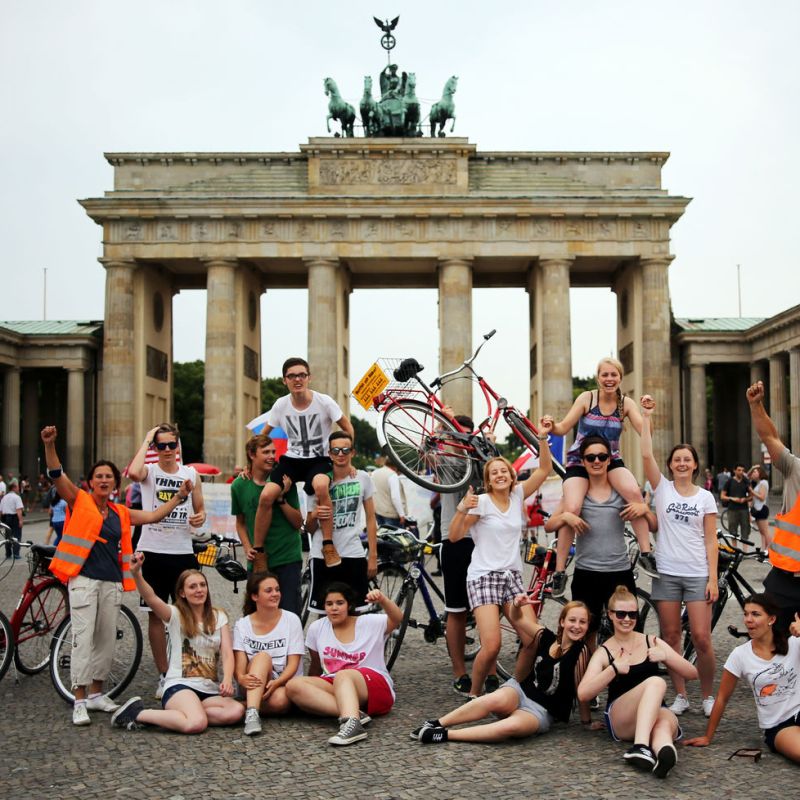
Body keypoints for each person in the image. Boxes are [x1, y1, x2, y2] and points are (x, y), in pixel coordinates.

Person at [40, 425, 193, 726]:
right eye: (99, 476)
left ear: (115, 483)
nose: (104, 480)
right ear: (90, 482)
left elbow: (151, 516)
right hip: (83, 579)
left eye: (109, 477)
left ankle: (97, 693)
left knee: (106, 639)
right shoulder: (78, 500)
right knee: (83, 639)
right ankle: (80, 699)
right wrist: (49, 445)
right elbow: (57, 474)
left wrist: (178, 497)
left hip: (111, 582)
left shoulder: (120, 512)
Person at [449, 420, 553, 697]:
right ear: (488, 480)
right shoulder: (481, 502)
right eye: (493, 472)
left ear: (511, 475)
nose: (499, 475)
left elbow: (545, 469)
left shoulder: (518, 495)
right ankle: (473, 693)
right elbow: (455, 536)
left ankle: (516, 687)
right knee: (492, 644)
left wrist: (542, 438)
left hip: (512, 577)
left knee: (532, 637)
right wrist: (461, 510)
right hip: (484, 577)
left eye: (503, 471)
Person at [544, 358, 656, 597]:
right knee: (572, 507)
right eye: (604, 375)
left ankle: (646, 553)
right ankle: (560, 570)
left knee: (634, 494)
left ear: (620, 378)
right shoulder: (587, 398)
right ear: (598, 378)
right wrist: (550, 425)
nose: (609, 379)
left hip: (609, 457)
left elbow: (645, 431)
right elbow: (563, 428)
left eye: (613, 375)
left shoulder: (625, 403)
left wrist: (646, 415)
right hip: (580, 459)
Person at [410, 601, 593, 744]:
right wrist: (516, 605)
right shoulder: (545, 636)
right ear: (562, 621)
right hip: (520, 691)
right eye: (572, 620)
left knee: (510, 728)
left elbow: (580, 688)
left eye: (582, 622)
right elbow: (518, 619)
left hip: (541, 710)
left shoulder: (581, 651)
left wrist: (586, 722)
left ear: (587, 626)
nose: (577, 626)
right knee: (493, 699)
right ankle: (437, 723)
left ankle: (443, 735)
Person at [639, 395, 718, 717]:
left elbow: (711, 541)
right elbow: (645, 453)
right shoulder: (662, 490)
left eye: (687, 459)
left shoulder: (706, 497)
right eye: (677, 460)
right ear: (671, 465)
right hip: (667, 573)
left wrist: (712, 578)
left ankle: (708, 695)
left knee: (701, 638)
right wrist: (645, 417)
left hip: (698, 572)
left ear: (695, 464)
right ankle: (682, 695)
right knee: (671, 636)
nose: (682, 464)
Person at [111, 554, 244, 734]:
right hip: (180, 686)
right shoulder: (174, 615)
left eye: (202, 585)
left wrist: (228, 679)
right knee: (196, 724)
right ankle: (138, 713)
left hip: (209, 690)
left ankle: (182, 715)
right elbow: (151, 598)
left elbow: (228, 653)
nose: (199, 590)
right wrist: (136, 574)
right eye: (192, 586)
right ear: (182, 593)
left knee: (236, 711)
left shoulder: (219, 616)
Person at [544, 435, 657, 645]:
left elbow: (654, 525)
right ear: (583, 461)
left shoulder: (622, 493)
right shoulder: (576, 496)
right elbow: (549, 526)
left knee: (628, 632)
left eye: (602, 456)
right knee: (586, 634)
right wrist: (566, 516)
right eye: (590, 457)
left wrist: (644, 509)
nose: (596, 461)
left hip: (619, 572)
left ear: (609, 460)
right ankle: (589, 673)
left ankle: (624, 675)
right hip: (586, 573)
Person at [578, 585, 698, 778]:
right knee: (656, 682)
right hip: (621, 717)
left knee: (663, 727)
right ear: (610, 614)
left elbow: (692, 673)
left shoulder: (652, 641)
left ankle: (664, 754)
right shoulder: (604, 651)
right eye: (621, 614)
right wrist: (613, 669)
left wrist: (667, 656)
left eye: (632, 615)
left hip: (656, 712)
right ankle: (640, 745)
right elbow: (583, 693)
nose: (627, 619)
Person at [252, 357, 355, 573]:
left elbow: (346, 427)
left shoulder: (324, 401)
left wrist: (347, 460)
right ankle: (259, 551)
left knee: (320, 486)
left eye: (302, 375)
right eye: (292, 376)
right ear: (284, 381)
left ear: (309, 378)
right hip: (292, 459)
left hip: (318, 458)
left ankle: (328, 545)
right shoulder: (281, 404)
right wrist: (251, 463)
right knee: (266, 495)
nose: (297, 379)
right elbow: (262, 437)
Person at [127, 422, 206, 696]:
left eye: (172, 444)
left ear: (178, 445)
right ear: (155, 448)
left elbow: (200, 508)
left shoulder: (191, 473)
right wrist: (147, 438)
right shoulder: (149, 471)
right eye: (161, 445)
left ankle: (190, 670)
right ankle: (164, 674)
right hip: (152, 550)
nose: (167, 450)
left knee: (191, 614)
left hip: (182, 551)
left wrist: (200, 517)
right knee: (155, 616)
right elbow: (133, 472)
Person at [685, 593, 800, 763]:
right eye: (746, 614)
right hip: (780, 726)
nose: (748, 620)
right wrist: (707, 736)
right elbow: (722, 697)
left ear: (772, 619)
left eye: (755, 614)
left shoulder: (794, 643)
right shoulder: (740, 655)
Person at [285, 583, 404, 746]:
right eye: (329, 604)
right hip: (335, 683)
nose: (334, 608)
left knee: (344, 674)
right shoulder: (316, 628)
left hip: (374, 684)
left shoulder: (369, 623)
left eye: (340, 603)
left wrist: (382, 599)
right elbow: (316, 666)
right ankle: (354, 713)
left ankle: (352, 724)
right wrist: (307, 695)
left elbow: (397, 619)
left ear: (349, 605)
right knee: (293, 685)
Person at [439, 413, 498, 696]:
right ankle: (459, 671)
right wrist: (439, 430)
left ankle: (492, 668)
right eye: (454, 435)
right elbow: (423, 454)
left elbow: (501, 477)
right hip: (456, 538)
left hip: (484, 539)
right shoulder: (445, 460)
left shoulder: (483, 459)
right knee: (456, 610)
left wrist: (489, 446)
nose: (460, 440)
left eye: (466, 436)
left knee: (489, 606)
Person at [747, 379, 800, 634]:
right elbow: (769, 436)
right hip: (785, 578)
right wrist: (756, 405)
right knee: (772, 646)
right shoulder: (796, 468)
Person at [305, 431, 377, 616]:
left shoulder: (362, 478)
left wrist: (373, 557)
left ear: (353, 452)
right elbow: (309, 528)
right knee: (324, 615)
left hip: (353, 553)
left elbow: (370, 519)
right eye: (336, 450)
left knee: (356, 613)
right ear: (329, 454)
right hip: (322, 556)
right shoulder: (317, 484)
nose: (340, 454)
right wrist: (314, 515)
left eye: (345, 450)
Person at [231, 433, 303, 613]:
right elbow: (240, 523)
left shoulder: (285, 481)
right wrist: (247, 548)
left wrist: (280, 499)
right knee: (256, 614)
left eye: (273, 451)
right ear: (252, 454)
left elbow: (297, 523)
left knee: (289, 614)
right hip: (258, 561)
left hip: (287, 557)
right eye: (266, 452)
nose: (272, 456)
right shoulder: (238, 485)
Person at [233, 571, 305, 736]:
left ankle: (242, 707)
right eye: (269, 591)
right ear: (254, 596)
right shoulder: (242, 625)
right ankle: (252, 714)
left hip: (281, 682)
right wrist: (241, 678)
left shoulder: (292, 620)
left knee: (281, 701)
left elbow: (294, 663)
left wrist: (278, 682)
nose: (275, 594)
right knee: (263, 657)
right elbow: (240, 664)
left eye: (277, 589)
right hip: (253, 680)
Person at [371, 452, 407, 528]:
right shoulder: (392, 475)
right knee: (395, 538)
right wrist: (401, 514)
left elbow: (372, 493)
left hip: (378, 512)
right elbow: (395, 497)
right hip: (391, 515)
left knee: (384, 537)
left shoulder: (374, 473)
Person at [721, 463, 751, 540]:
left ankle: (745, 551)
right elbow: (722, 496)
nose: (741, 472)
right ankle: (735, 551)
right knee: (733, 532)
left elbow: (751, 496)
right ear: (734, 471)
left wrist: (745, 499)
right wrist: (732, 498)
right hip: (732, 509)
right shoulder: (729, 481)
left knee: (745, 531)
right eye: (739, 470)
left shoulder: (746, 481)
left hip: (744, 509)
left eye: (742, 470)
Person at [748, 464, 772, 553]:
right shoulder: (759, 483)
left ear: (760, 473)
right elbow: (747, 476)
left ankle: (770, 549)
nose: (753, 474)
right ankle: (764, 549)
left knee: (765, 532)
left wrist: (751, 491)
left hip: (762, 509)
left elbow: (762, 497)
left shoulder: (763, 482)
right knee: (762, 532)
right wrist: (752, 468)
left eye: (755, 472)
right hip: (758, 509)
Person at [0, 477, 24, 560]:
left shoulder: (4, 497)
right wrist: (20, 520)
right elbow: (19, 510)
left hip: (6, 518)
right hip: (14, 518)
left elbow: (1, 511)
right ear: (14, 487)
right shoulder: (17, 497)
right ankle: (16, 554)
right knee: (17, 536)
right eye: (17, 487)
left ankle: (8, 553)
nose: (18, 488)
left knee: (8, 536)